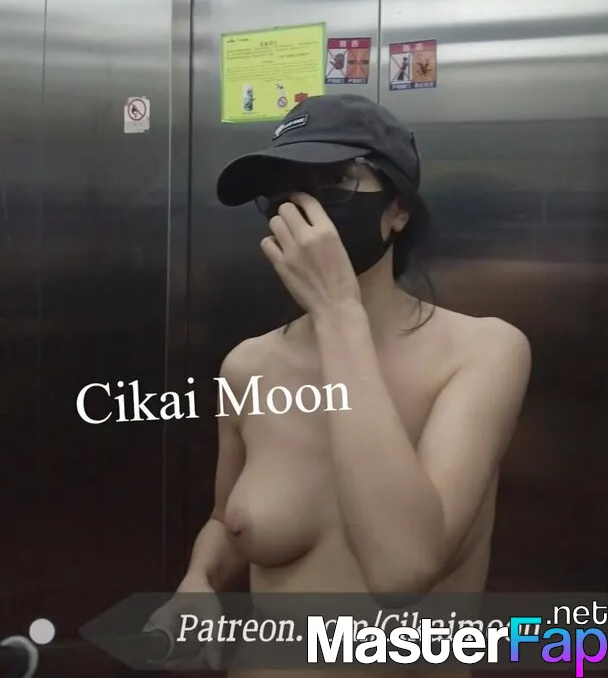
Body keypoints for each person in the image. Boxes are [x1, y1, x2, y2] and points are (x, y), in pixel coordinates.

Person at [148, 94, 531, 675]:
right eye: (282, 191)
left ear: (397, 210)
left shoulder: (482, 352)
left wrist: (337, 315)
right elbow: (228, 522)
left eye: (331, 183)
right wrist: (199, 580)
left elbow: (403, 570)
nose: (303, 212)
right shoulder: (248, 367)